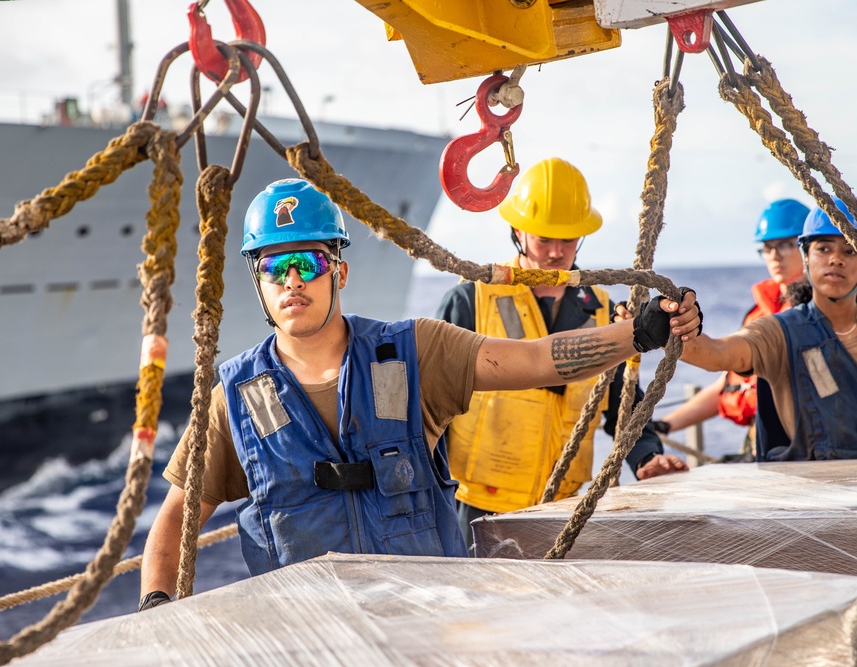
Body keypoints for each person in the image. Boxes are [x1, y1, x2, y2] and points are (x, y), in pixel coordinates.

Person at [138, 178, 701, 611]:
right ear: (258, 283)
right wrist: (157, 608)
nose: (292, 282)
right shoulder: (234, 397)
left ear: (340, 271)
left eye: (307, 263)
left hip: (429, 627)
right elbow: (177, 518)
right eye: (273, 267)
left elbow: (534, 359)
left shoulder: (413, 353)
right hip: (306, 636)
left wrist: (641, 331)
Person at [433, 158, 687, 542]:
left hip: (564, 507)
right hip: (475, 506)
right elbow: (432, 402)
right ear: (518, 232)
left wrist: (646, 456)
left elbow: (623, 399)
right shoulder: (471, 299)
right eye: (543, 239)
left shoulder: (602, 309)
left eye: (566, 239)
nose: (555, 252)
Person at [677, 196, 857, 462]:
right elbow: (714, 353)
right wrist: (672, 324)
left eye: (851, 250)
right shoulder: (777, 332)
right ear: (806, 258)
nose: (836, 259)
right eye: (823, 249)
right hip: (818, 496)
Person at [652, 199, 810, 461]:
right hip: (759, 446)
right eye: (767, 247)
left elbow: (716, 353)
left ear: (808, 247)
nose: (774, 255)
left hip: (799, 452)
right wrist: (664, 426)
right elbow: (729, 382)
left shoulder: (817, 315)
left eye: (784, 245)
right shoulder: (759, 314)